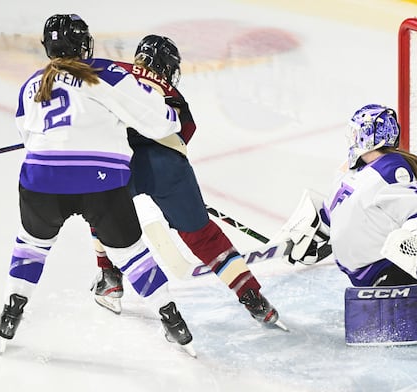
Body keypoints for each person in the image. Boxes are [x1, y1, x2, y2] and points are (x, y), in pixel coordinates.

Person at [0, 14, 195, 355]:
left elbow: (27, 135)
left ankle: (12, 311)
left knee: (31, 244)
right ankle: (171, 319)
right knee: (131, 253)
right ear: (85, 43)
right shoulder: (109, 74)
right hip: (101, 185)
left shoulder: (30, 85)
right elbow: (160, 123)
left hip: (41, 182)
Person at [89, 34, 284, 329]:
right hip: (170, 167)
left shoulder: (115, 69)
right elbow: (182, 135)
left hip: (123, 158)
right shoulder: (179, 99)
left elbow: (85, 101)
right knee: (202, 235)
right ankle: (253, 297)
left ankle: (110, 278)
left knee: (98, 208)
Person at [286, 104, 417, 287]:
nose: (353, 138)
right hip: (363, 276)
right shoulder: (352, 172)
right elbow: (334, 211)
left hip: (387, 270)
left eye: (356, 132)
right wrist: (314, 235)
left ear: (368, 135)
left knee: (411, 238)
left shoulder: (389, 170)